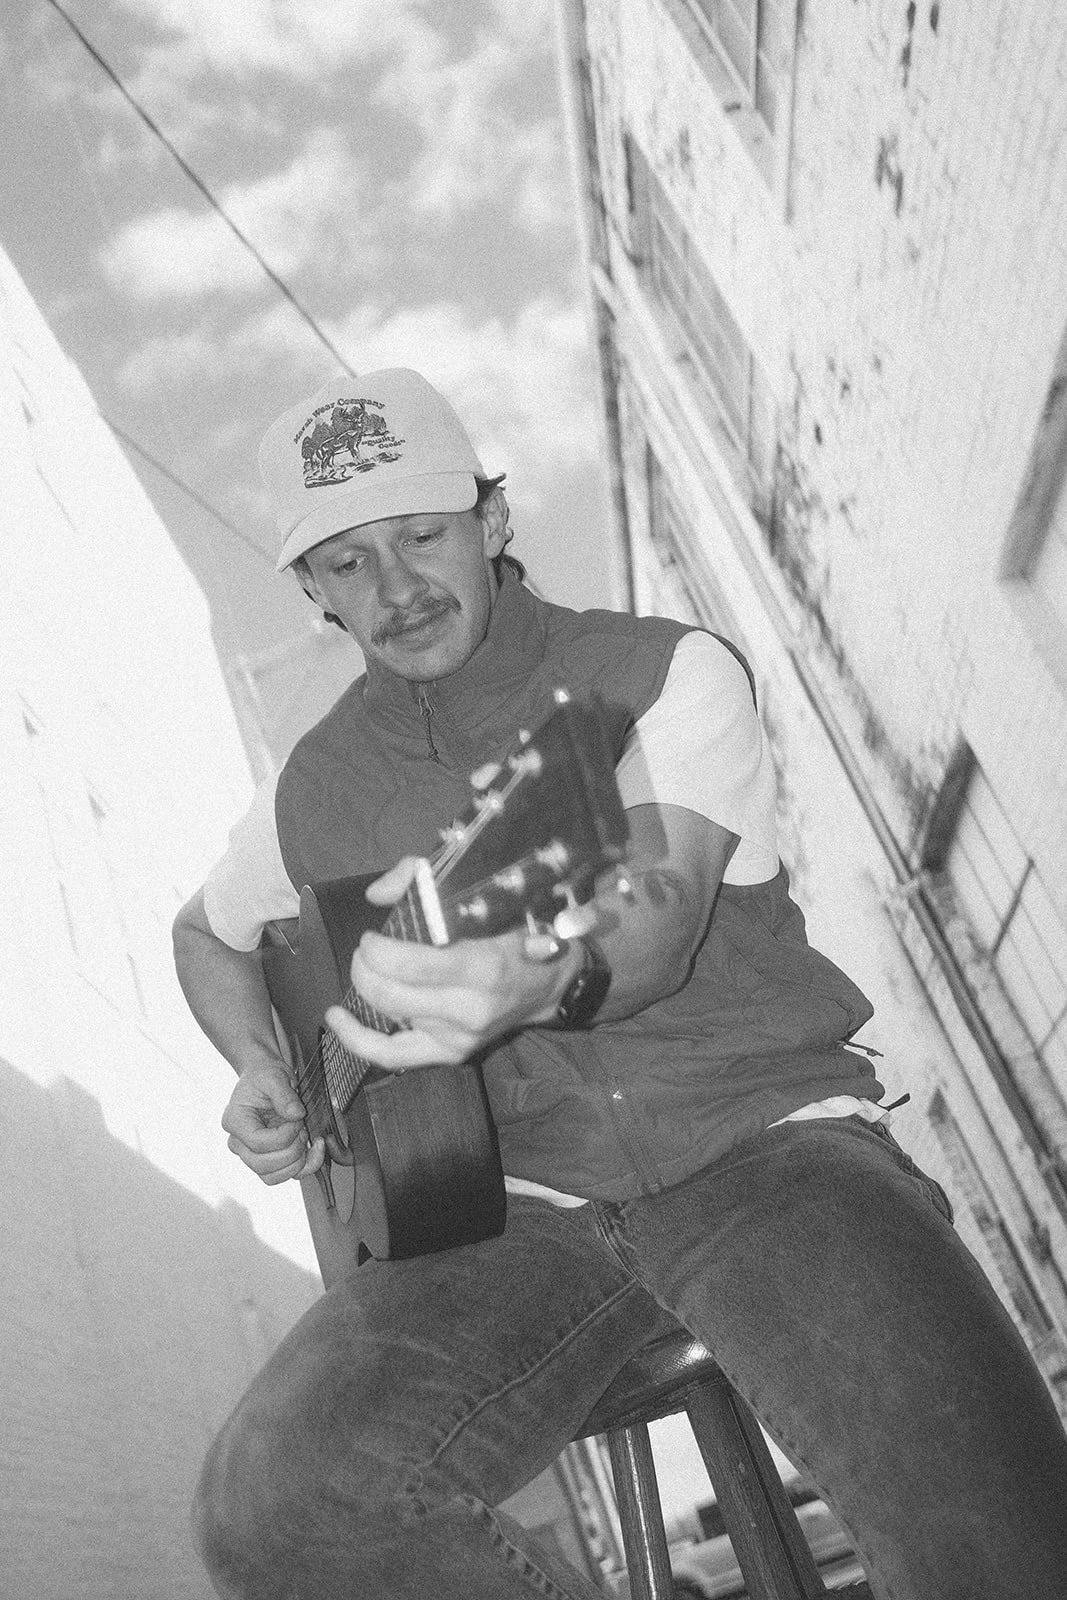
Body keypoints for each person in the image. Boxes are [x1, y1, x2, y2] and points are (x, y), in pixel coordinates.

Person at [173, 368, 1067, 1600]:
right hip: (506, 1219)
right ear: (311, 589)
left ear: (488, 523)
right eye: (346, 562)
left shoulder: (654, 675)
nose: (395, 588)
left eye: (420, 535)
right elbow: (204, 933)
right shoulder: (314, 789)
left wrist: (527, 980)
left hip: (760, 1146)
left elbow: (653, 919)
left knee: (1005, 1555)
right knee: (271, 1511)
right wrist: (265, 1069)